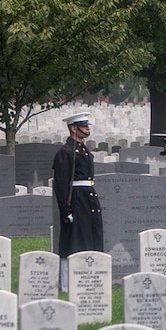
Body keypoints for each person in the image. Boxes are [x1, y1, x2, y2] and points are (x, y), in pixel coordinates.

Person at [52, 111, 104, 292]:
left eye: (88, 125)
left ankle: (88, 277)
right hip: (76, 199)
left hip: (88, 197)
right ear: (73, 128)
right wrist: (66, 210)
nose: (88, 128)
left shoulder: (82, 149)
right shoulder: (65, 152)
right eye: (84, 126)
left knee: (90, 238)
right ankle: (66, 284)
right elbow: (61, 183)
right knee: (72, 240)